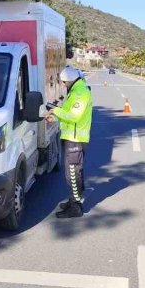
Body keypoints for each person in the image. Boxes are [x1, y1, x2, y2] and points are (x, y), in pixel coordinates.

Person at [47, 66, 93, 218]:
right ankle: (74, 200)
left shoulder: (81, 93)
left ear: (70, 80)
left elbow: (73, 116)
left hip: (76, 140)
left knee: (73, 174)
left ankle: (76, 207)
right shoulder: (74, 91)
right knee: (71, 173)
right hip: (70, 137)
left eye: (65, 82)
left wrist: (55, 111)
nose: (64, 85)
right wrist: (53, 116)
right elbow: (66, 113)